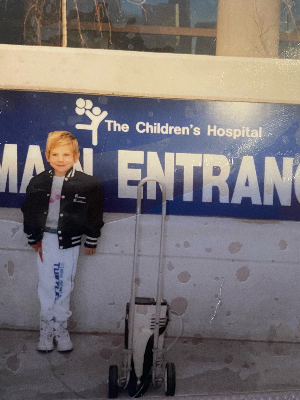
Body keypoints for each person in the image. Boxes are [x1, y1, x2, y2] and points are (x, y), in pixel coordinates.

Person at [21, 131, 104, 352]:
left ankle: (61, 329)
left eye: (66, 154)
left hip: (69, 241)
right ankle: (46, 330)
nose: (61, 159)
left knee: (64, 285)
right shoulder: (38, 181)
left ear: (76, 156)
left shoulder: (88, 184)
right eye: (55, 154)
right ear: (47, 156)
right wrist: (32, 236)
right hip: (44, 241)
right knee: (47, 285)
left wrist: (92, 240)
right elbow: (29, 211)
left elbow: (95, 214)